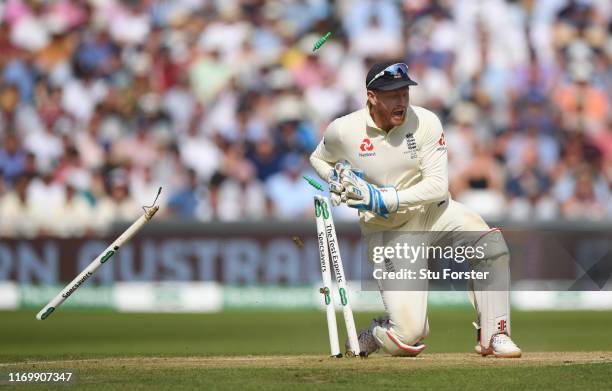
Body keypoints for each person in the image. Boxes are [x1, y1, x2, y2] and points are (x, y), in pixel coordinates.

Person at [309, 61, 521, 358]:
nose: (402, 101)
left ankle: (495, 334)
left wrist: (384, 198)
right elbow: (318, 158)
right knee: (409, 337)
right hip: (389, 232)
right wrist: (336, 178)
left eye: (405, 92)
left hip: (435, 214)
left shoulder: (426, 122)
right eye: (393, 95)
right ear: (372, 96)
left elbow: (436, 186)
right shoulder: (344, 130)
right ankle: (376, 332)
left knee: (490, 244)